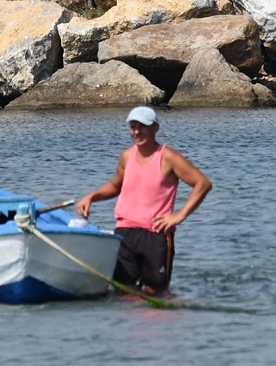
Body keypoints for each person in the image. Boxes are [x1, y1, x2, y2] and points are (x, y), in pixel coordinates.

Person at [76, 106, 211, 295]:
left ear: (156, 128)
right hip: (125, 233)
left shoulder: (169, 157)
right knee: (124, 293)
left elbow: (203, 184)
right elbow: (116, 185)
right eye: (133, 127)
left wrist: (179, 216)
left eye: (143, 127)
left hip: (156, 234)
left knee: (157, 294)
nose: (137, 132)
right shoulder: (127, 156)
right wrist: (92, 197)